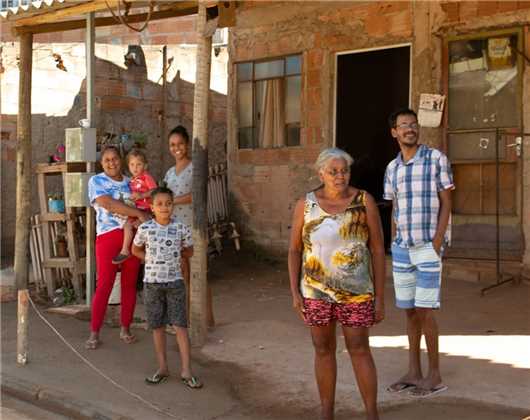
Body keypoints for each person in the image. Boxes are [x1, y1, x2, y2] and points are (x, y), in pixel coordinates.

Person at [288, 148, 385, 420]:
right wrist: (296, 292)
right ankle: (327, 412)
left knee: (359, 348)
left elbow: (377, 249)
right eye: (333, 171)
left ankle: (371, 413)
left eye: (344, 171)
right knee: (322, 349)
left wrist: (380, 297)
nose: (340, 176)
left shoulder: (364, 201)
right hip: (315, 292)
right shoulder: (305, 205)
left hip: (356, 292)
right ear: (321, 173)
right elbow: (295, 250)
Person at [384, 108, 454, 397]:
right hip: (402, 248)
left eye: (413, 124)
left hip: (427, 246)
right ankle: (414, 371)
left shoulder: (436, 158)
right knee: (410, 311)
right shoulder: (392, 168)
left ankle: (434, 375)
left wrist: (437, 241)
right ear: (394, 133)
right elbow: (394, 209)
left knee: (425, 311)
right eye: (403, 125)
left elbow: (447, 202)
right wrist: (393, 243)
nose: (410, 129)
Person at [132, 187, 202, 389]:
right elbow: (135, 249)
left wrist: (178, 257)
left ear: (173, 206)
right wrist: (150, 260)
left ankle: (186, 370)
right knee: (158, 326)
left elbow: (189, 251)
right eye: (159, 204)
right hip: (152, 284)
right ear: (152, 207)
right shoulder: (145, 229)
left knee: (180, 325)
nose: (164, 207)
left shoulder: (181, 228)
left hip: (175, 283)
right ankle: (162, 367)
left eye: (168, 203)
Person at [85, 145, 150, 350]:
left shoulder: (130, 182)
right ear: (101, 163)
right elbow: (107, 203)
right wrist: (138, 214)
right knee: (104, 284)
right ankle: (94, 332)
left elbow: (143, 203)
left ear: (120, 160)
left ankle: (125, 328)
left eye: (114, 159)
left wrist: (141, 217)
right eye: (107, 160)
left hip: (131, 236)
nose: (112, 163)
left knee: (129, 285)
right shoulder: (96, 181)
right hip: (107, 237)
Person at [163, 125, 214, 326]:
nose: (176, 148)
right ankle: (187, 321)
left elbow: (197, 196)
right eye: (172, 145)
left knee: (199, 276)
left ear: (187, 145)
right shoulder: (168, 173)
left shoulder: (195, 169)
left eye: (180, 144)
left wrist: (172, 201)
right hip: (174, 231)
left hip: (193, 229)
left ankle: (208, 320)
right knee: (181, 278)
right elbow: (163, 197)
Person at [113, 149, 157, 264]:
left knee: (144, 227)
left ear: (145, 166)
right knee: (127, 225)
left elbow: (154, 191)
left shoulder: (146, 177)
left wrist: (142, 195)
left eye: (139, 164)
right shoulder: (132, 180)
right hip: (135, 210)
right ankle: (125, 250)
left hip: (146, 209)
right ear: (128, 166)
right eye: (132, 164)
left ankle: (151, 250)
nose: (135, 167)